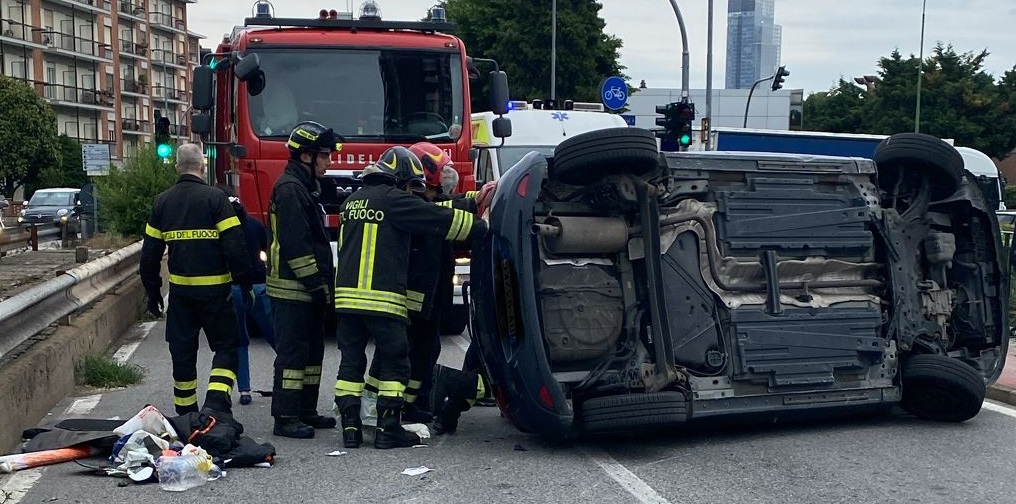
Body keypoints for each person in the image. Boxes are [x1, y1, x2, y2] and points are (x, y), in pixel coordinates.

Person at [332, 146, 488, 450]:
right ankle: (388, 427)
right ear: (401, 180)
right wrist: (481, 227)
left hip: (347, 299)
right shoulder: (395, 201)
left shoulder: (351, 202)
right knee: (395, 361)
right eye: (411, 186)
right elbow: (438, 218)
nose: (412, 191)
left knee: (350, 363)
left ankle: (350, 430)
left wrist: (470, 200)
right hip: (382, 298)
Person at [139, 143, 252, 416]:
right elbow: (235, 247)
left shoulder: (162, 202)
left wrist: (153, 293)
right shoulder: (216, 200)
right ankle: (216, 404)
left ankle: (186, 414)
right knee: (226, 348)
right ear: (202, 167)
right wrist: (245, 284)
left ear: (177, 167)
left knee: (183, 354)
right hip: (216, 294)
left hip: (181, 296)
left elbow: (150, 255)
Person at [265, 121, 340, 439]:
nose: (329, 161)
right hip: (294, 289)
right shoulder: (291, 189)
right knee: (293, 357)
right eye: (324, 155)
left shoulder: (303, 187)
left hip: (305, 290)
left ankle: (306, 410)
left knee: (312, 355)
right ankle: (285, 416)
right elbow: (297, 248)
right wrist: (317, 286)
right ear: (306, 156)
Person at [221, 188, 276, 406]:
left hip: (232, 288)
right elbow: (267, 251)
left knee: (240, 341)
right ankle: (289, 383)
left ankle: (244, 391)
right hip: (259, 287)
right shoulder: (254, 225)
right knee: (274, 335)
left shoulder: (221, 229)